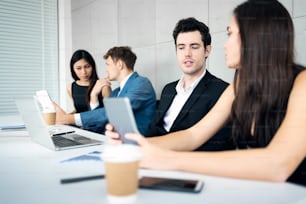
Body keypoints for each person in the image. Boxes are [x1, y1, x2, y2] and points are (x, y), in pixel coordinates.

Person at [106, 0, 306, 186]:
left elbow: (277, 164)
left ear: (256, 37)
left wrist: (168, 160)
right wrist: (136, 145)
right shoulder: (240, 85)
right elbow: (193, 135)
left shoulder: (302, 83)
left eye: (230, 34)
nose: (225, 45)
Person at [145, 17, 234, 151]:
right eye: (181, 47)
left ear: (207, 50)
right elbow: (153, 129)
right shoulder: (168, 90)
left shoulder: (221, 91)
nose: (187, 54)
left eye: (194, 46)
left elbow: (218, 145)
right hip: (152, 157)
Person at [55, 46, 156, 134]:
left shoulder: (141, 83)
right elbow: (98, 124)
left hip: (134, 143)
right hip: (110, 139)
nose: (106, 69)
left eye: (108, 64)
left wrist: (69, 119)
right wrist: (93, 95)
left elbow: (115, 113)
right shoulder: (116, 92)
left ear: (120, 64)